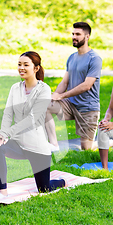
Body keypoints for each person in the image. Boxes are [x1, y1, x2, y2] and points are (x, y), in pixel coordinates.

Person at [0, 51, 66, 199]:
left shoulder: (43, 89)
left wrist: (8, 132)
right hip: (18, 144)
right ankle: (3, 192)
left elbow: (33, 118)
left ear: (36, 68)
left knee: (44, 189)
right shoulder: (15, 88)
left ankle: (61, 181)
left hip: (37, 147)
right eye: (19, 64)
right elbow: (8, 113)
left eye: (26, 65)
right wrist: (2, 132)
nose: (21, 68)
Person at [45, 22, 102, 150]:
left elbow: (87, 85)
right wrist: (54, 96)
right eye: (73, 34)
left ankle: (107, 143)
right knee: (44, 106)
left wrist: (62, 95)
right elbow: (65, 82)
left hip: (88, 108)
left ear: (87, 37)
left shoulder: (94, 58)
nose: (74, 37)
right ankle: (53, 145)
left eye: (78, 34)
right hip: (71, 105)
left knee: (86, 148)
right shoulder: (72, 57)